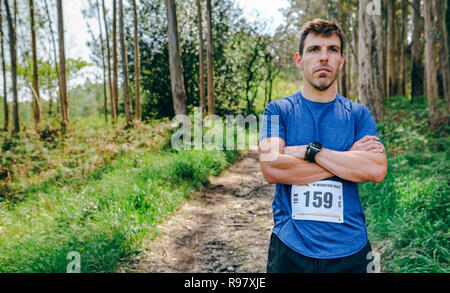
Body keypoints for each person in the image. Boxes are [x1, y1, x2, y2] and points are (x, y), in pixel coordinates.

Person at [258, 19, 388, 273]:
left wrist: (310, 152)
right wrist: (348, 160)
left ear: (342, 60)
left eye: (332, 50)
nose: (324, 57)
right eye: (314, 49)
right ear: (299, 59)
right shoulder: (277, 110)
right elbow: (272, 168)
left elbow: (376, 170)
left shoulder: (358, 115)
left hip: (351, 250)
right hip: (290, 248)